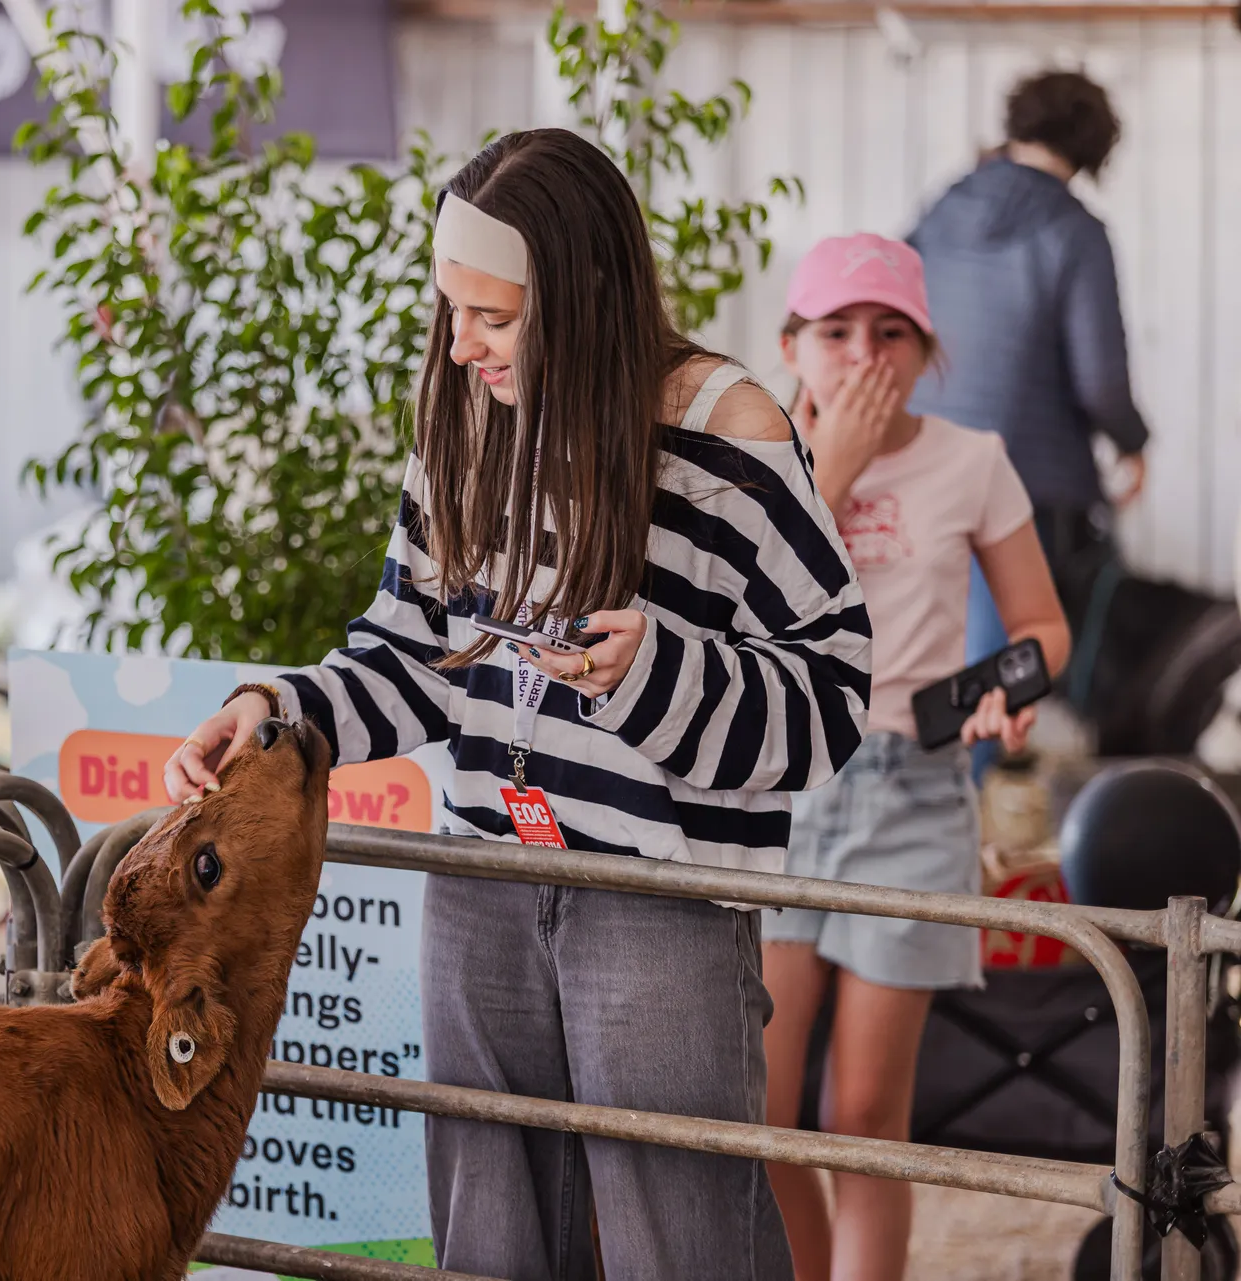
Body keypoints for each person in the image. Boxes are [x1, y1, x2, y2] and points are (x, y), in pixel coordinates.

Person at [165, 129, 873, 1279]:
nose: (459, 345)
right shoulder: (465, 428)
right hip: (482, 882)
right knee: (488, 1233)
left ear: (583, 295)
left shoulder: (726, 437)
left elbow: (830, 700)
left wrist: (658, 673)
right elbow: (409, 654)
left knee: (680, 1234)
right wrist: (279, 718)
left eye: (492, 317)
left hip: (663, 902)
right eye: (451, 309)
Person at [760, 235, 1071, 1281]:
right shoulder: (752, 464)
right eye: (837, 331)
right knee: (756, 1112)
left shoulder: (971, 460)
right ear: (791, 345)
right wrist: (830, 474)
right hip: (776, 792)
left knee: (862, 1121)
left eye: (892, 332)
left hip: (913, 793)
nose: (864, 356)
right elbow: (735, 620)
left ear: (928, 348)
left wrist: (1005, 693)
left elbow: (1042, 629)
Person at [907, 69, 1144, 772]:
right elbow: (1100, 379)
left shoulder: (942, 207)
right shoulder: (1075, 231)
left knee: (925, 643)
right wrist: (1134, 446)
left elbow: (894, 308)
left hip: (920, 456)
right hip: (1023, 474)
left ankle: (927, 797)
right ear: (1094, 148)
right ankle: (965, 812)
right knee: (996, 665)